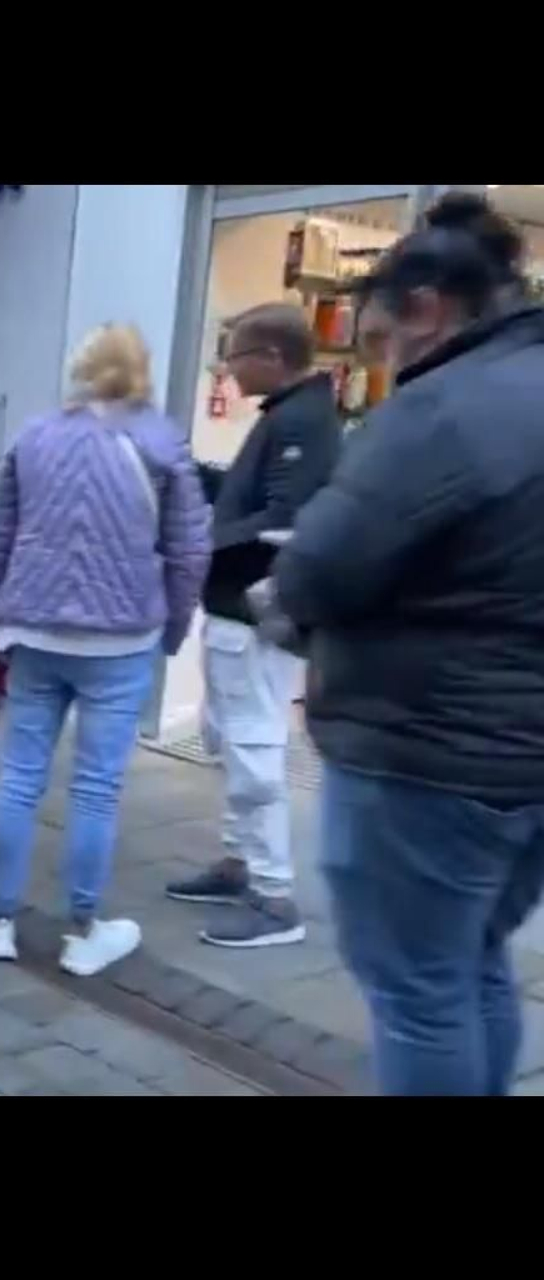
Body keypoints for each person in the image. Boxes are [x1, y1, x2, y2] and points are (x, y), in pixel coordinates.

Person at [274, 193, 544, 1096]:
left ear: (426, 308)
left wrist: (279, 597)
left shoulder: (443, 409)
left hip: (427, 755)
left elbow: (321, 567)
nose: (383, 365)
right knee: (473, 961)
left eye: (382, 342)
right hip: (525, 758)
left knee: (419, 992)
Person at [0, 325, 213, 975]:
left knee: (19, 778)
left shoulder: (35, 436)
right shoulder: (163, 442)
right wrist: (172, 629)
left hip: (34, 629)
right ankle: (82, 929)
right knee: (97, 788)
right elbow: (190, 551)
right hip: (122, 636)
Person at [164, 303, 342, 948]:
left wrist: (203, 540)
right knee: (230, 738)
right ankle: (240, 864)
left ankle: (273, 897)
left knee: (253, 747)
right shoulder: (291, 415)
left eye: (234, 356)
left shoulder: (303, 422)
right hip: (236, 611)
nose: (228, 369)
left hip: (253, 612)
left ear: (270, 356)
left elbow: (285, 519)